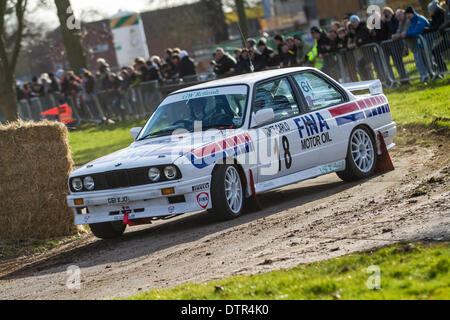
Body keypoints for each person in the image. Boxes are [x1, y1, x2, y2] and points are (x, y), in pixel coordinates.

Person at [402, 6, 431, 82]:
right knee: (420, 61)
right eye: (406, 14)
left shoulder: (420, 19)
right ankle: (425, 76)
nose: (407, 16)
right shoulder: (412, 21)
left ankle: (433, 73)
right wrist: (406, 33)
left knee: (428, 59)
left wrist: (406, 33)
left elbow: (418, 31)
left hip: (427, 42)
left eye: (408, 14)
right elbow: (411, 29)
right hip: (419, 44)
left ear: (412, 13)